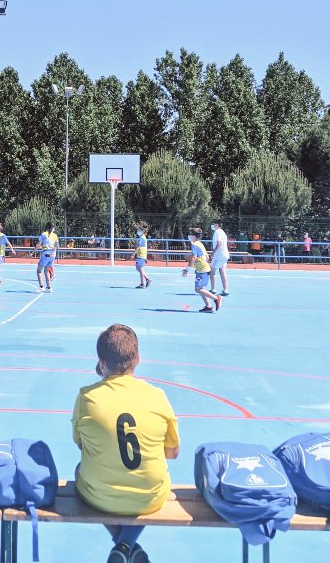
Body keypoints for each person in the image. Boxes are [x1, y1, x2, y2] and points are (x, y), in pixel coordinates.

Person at [72, 324, 179, 563]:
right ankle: (126, 544)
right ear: (137, 359)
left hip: (100, 496)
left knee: (81, 471)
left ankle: (123, 543)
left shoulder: (87, 397)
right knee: (156, 473)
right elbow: (172, 452)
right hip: (150, 497)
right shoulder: (157, 396)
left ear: (101, 363)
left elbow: (82, 445)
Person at [181, 227, 221, 312]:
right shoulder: (199, 243)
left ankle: (216, 298)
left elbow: (194, 258)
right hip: (202, 269)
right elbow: (206, 256)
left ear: (194, 236)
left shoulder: (194, 244)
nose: (189, 236)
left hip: (202, 269)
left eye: (190, 234)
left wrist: (187, 269)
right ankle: (208, 306)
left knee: (198, 289)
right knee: (200, 289)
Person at [36, 221, 59, 292]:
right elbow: (57, 246)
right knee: (46, 271)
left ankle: (41, 287)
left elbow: (38, 244)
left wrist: (38, 247)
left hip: (46, 253)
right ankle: (49, 288)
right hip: (52, 255)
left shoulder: (43, 234)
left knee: (39, 270)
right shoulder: (55, 235)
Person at [210, 220, 230, 296]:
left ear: (217, 224)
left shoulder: (217, 232)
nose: (212, 225)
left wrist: (213, 253)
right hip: (224, 254)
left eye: (213, 224)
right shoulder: (222, 232)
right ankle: (226, 290)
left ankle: (213, 289)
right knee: (222, 271)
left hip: (219, 255)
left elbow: (219, 243)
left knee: (212, 271)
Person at [133, 224, 151, 289]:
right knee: (138, 268)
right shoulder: (141, 237)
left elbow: (139, 246)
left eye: (139, 230)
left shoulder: (142, 238)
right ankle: (147, 279)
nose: (138, 231)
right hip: (141, 255)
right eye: (137, 230)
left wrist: (133, 254)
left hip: (141, 255)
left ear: (142, 231)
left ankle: (142, 283)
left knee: (139, 268)